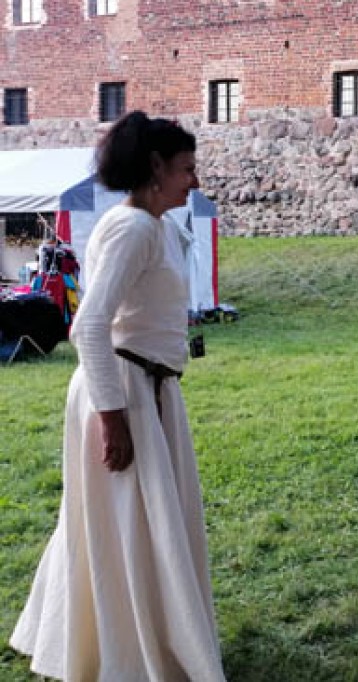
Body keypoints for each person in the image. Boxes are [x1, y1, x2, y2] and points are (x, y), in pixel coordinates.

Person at [9, 111, 227, 682]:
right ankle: (125, 656)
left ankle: (137, 641)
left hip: (143, 388)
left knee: (140, 524)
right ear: (155, 168)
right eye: (185, 169)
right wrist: (113, 417)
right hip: (121, 391)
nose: (194, 181)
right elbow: (91, 325)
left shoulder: (146, 226)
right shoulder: (131, 228)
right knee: (126, 525)